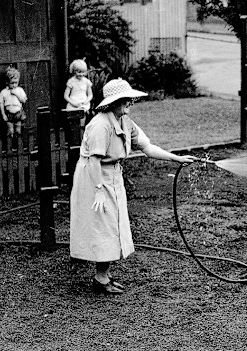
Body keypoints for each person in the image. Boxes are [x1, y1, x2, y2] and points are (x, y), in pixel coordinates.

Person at [69, 78, 196, 294]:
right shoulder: (100, 124)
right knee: (104, 224)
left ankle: (104, 275)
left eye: (130, 98)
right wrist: (98, 189)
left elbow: (148, 147)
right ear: (113, 102)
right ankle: (100, 279)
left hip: (112, 175)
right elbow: (94, 161)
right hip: (94, 177)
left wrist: (177, 158)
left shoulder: (126, 122)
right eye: (126, 99)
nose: (130, 102)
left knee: (115, 224)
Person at [0, 67, 28, 138]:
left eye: (16, 83)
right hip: (9, 113)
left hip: (18, 112)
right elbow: (1, 103)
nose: (14, 85)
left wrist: (16, 94)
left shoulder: (19, 90)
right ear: (7, 82)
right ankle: (10, 146)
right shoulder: (4, 92)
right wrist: (3, 115)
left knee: (18, 130)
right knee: (10, 131)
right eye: (12, 83)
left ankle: (18, 145)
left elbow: (23, 100)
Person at [64, 59, 93, 127]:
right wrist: (73, 103)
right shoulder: (71, 81)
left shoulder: (86, 82)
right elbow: (66, 96)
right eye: (79, 72)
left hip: (83, 103)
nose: (81, 74)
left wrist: (86, 101)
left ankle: (82, 130)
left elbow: (90, 95)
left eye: (83, 72)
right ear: (74, 71)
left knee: (82, 121)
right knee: (73, 124)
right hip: (73, 104)